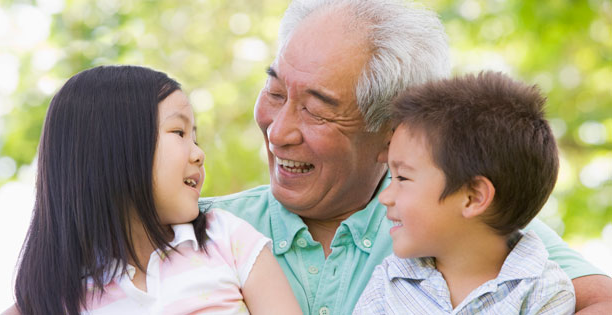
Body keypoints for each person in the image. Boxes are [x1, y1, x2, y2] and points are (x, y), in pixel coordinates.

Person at [203, 0, 612, 314]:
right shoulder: (201, 226)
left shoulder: (449, 220)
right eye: (275, 93)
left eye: (317, 109)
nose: (278, 132)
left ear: (392, 133)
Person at [8, 66, 301, 315]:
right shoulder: (53, 300)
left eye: (195, 138)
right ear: (115, 150)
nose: (199, 154)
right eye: (179, 132)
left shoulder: (226, 239)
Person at [353, 71, 575, 314]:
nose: (385, 197)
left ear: (473, 198)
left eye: (403, 178)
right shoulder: (389, 280)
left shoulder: (544, 292)